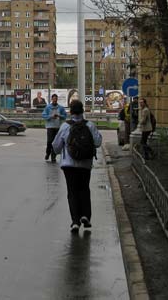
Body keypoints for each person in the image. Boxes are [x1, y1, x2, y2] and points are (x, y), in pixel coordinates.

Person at [52, 100, 102, 233]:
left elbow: (56, 147)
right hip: (85, 164)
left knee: (72, 192)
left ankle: (75, 221)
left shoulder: (65, 126)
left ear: (71, 112)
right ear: (83, 111)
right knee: (84, 189)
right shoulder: (90, 125)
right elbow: (98, 142)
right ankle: (85, 216)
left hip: (68, 165)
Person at [42, 94, 67, 162]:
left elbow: (65, 116)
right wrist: (51, 116)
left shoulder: (60, 108)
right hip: (50, 126)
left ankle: (53, 157)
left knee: (55, 142)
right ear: (52, 99)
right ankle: (48, 153)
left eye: (56, 98)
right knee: (49, 141)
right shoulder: (48, 107)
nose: (55, 100)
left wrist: (59, 115)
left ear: (57, 99)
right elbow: (44, 115)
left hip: (57, 127)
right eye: (53, 98)